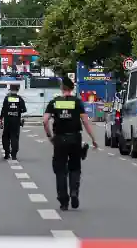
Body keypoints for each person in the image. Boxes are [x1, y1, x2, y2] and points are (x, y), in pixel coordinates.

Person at [42, 76, 98, 210]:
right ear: (72, 89)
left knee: (60, 170)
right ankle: (74, 192)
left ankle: (63, 200)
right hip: (75, 138)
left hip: (60, 139)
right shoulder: (77, 102)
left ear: (62, 88)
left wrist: (49, 136)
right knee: (75, 168)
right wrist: (93, 139)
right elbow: (85, 121)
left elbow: (44, 121)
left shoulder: (54, 102)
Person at [0, 83, 27, 160]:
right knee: (14, 137)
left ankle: (7, 153)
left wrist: (1, 119)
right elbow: (24, 110)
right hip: (16, 122)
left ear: (10, 90)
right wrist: (18, 113)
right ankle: (14, 155)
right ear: (17, 90)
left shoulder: (6, 98)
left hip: (7, 122)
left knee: (6, 137)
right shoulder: (20, 99)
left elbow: (3, 110)